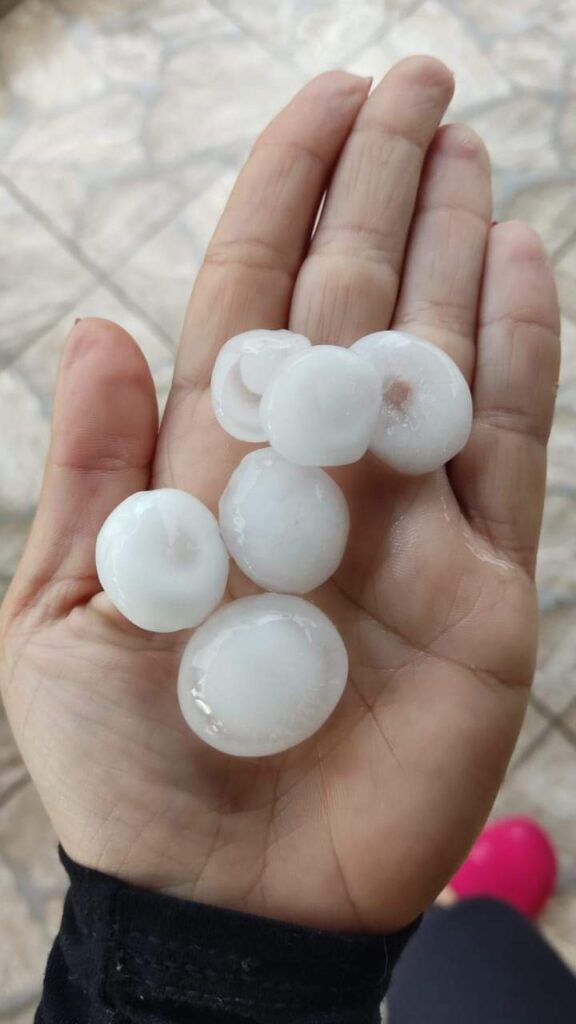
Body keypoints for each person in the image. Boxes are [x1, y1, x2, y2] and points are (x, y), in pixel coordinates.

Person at [0, 56, 573, 1022]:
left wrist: (202, 974)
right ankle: (467, 919)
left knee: (476, 960)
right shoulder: (255, 520)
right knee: (491, 965)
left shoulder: (300, 487)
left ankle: (459, 918)